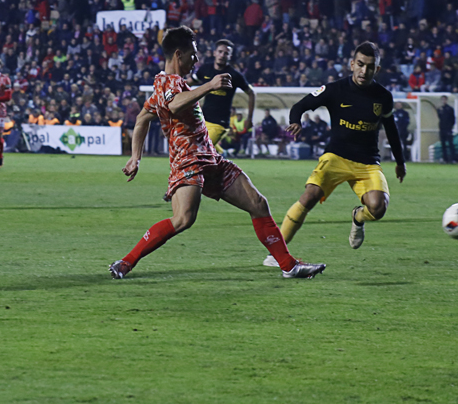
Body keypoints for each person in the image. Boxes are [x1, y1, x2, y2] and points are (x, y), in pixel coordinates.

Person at [110, 26, 325, 280]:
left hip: (210, 159)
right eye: (193, 54)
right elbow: (175, 105)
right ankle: (125, 262)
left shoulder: (169, 84)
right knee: (182, 219)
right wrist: (210, 85)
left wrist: (136, 156)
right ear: (178, 55)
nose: (197, 60)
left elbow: (142, 119)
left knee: (258, 204)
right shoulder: (169, 82)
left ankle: (288, 265)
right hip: (189, 161)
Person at [264, 42, 407, 266]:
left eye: (370, 67)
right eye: (360, 64)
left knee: (378, 208)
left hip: (368, 163)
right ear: (352, 64)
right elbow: (300, 106)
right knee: (309, 196)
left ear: (377, 70)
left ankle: (358, 217)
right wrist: (295, 121)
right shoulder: (334, 90)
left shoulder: (383, 97)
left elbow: (391, 130)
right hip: (336, 157)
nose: (364, 71)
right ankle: (277, 254)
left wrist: (400, 162)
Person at [192, 39, 255, 154]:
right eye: (220, 52)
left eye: (226, 53)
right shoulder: (205, 69)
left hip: (220, 123)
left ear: (230, 56)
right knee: (200, 147)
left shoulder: (235, 75)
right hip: (203, 119)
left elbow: (251, 93)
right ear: (214, 52)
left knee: (201, 150)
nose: (222, 55)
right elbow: (190, 81)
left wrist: (250, 118)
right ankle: (222, 154)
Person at [435, 95, 456, 163]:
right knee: (443, 144)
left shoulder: (450, 109)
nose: (443, 101)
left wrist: (450, 127)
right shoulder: (440, 109)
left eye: (444, 100)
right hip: (442, 129)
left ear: (446, 100)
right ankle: (445, 158)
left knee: (450, 144)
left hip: (448, 129)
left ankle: (453, 158)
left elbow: (453, 119)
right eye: (442, 100)